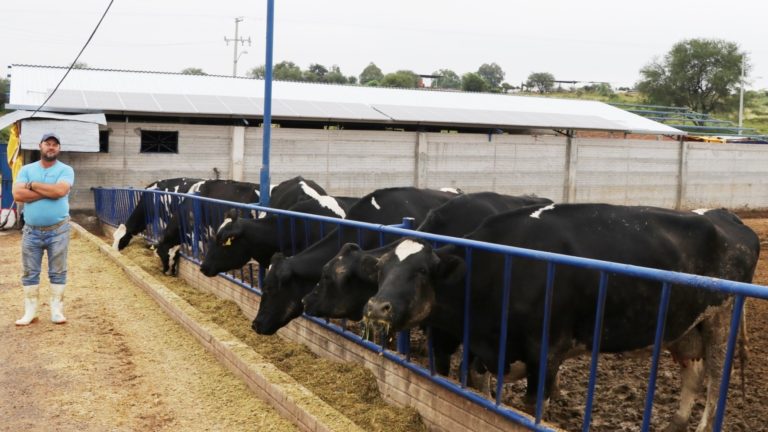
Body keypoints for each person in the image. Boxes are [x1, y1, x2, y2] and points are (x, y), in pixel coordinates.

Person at [12, 132, 75, 325]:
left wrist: (33, 186)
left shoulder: (66, 170)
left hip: (59, 230)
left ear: (59, 149)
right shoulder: (26, 169)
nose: (51, 147)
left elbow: (61, 191)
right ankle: (30, 312)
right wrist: (49, 191)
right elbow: (17, 195)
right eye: (47, 144)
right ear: (40, 146)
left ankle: (57, 311)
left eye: (55, 145)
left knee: (58, 271)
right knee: (30, 271)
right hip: (32, 231)